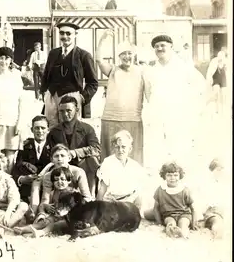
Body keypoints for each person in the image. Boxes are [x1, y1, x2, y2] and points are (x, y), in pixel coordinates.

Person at [145, 35, 206, 172]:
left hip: (177, 113)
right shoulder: (152, 70)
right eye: (157, 46)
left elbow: (200, 84)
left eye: (163, 45)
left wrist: (189, 105)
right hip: (158, 113)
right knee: (158, 145)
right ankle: (161, 173)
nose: (160, 48)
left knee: (178, 145)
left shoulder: (182, 67)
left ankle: (179, 173)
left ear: (171, 47)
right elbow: (148, 93)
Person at [96, 30, 150, 165]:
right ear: (119, 56)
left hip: (133, 119)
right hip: (110, 118)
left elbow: (150, 94)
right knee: (109, 155)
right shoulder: (113, 70)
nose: (127, 56)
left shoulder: (142, 71)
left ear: (134, 55)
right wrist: (103, 39)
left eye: (129, 53)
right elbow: (98, 59)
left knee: (133, 157)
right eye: (123, 54)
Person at [40, 22, 98, 126]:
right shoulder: (53, 53)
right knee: (52, 130)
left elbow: (93, 83)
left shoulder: (84, 56)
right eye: (62, 33)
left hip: (72, 98)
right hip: (52, 97)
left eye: (68, 33)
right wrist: (44, 93)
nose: (65, 36)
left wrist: (82, 98)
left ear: (75, 34)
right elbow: (46, 76)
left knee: (70, 130)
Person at [45, 95, 101, 197]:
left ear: (77, 110)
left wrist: (75, 153)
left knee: (92, 160)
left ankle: (90, 196)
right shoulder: (54, 132)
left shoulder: (87, 129)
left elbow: (96, 149)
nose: (65, 114)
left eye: (69, 110)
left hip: (82, 166)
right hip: (61, 168)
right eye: (62, 111)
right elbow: (50, 153)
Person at [14, 166, 74, 238]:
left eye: (63, 179)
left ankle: (40, 233)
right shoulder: (53, 193)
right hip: (56, 217)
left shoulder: (72, 193)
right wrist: (46, 206)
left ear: (69, 181)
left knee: (52, 224)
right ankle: (24, 229)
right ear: (53, 182)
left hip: (69, 220)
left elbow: (72, 210)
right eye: (56, 180)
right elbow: (44, 206)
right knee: (45, 221)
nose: (59, 182)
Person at [34, 144, 93, 218]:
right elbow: (45, 199)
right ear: (52, 159)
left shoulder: (78, 172)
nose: (59, 159)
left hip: (75, 204)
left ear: (69, 158)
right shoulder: (48, 176)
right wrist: (46, 207)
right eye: (56, 156)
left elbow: (87, 196)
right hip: (57, 206)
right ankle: (40, 219)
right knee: (43, 210)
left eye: (62, 156)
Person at [144, 161, 198, 239]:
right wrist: (159, 223)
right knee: (170, 223)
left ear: (180, 176)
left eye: (175, 175)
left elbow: (193, 208)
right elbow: (156, 208)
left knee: (183, 223)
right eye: (169, 175)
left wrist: (193, 224)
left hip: (184, 214)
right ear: (164, 176)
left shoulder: (184, 190)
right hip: (168, 215)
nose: (172, 178)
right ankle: (172, 231)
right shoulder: (160, 190)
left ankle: (183, 234)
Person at [96, 130, 144, 210]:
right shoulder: (108, 163)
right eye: (117, 147)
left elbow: (139, 191)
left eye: (123, 147)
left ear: (130, 148)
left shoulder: (135, 166)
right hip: (112, 202)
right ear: (113, 148)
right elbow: (102, 188)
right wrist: (97, 209)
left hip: (129, 202)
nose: (120, 150)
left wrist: (138, 209)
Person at [12, 115, 51, 204]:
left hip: (47, 190)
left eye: (43, 128)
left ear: (48, 130)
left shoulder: (53, 147)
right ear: (32, 130)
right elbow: (17, 167)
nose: (40, 131)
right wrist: (22, 179)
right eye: (37, 128)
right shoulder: (25, 146)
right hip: (27, 189)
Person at [206, 48, 228, 116]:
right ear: (218, 56)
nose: (221, 58)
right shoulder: (214, 61)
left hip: (223, 79)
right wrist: (209, 80)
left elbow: (229, 72)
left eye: (222, 56)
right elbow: (209, 72)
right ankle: (217, 110)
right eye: (219, 56)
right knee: (217, 94)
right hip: (215, 79)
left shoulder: (226, 62)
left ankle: (223, 110)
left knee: (223, 95)